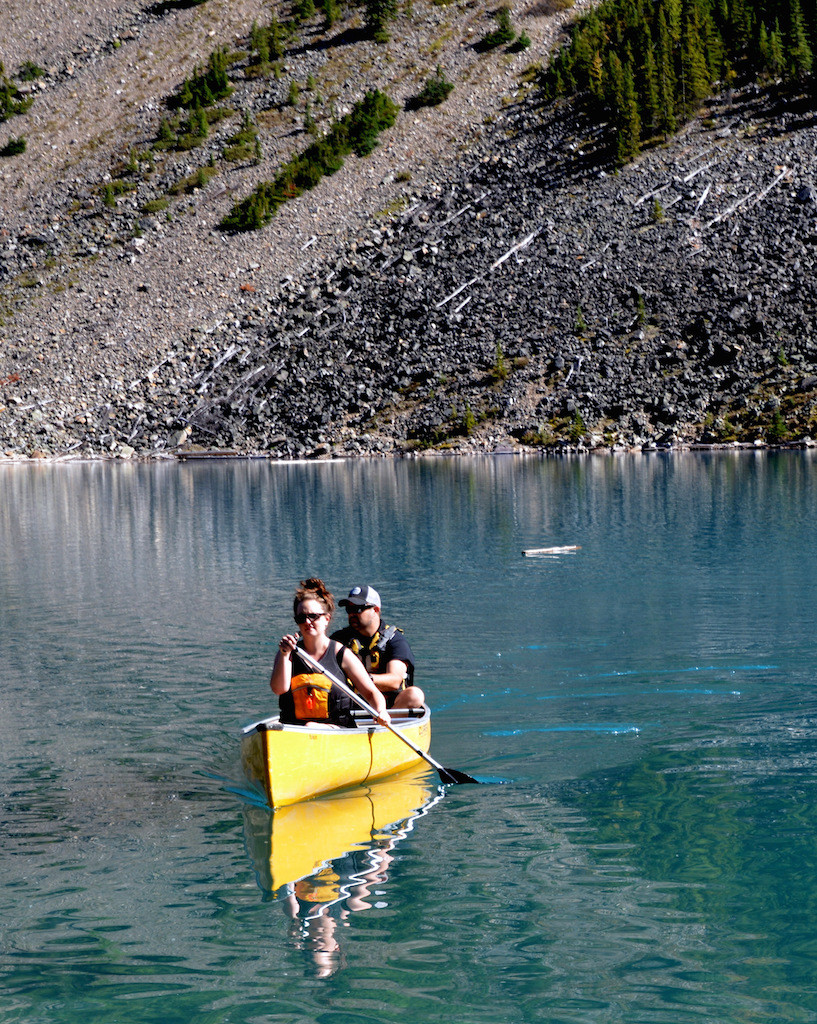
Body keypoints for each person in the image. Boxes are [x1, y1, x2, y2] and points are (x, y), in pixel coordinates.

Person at [271, 578, 390, 728]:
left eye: (313, 616)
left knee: (311, 727)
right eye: (302, 618)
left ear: (326, 619)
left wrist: (381, 711)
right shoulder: (287, 653)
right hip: (295, 730)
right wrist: (283, 655)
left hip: (335, 729)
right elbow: (278, 689)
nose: (307, 622)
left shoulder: (341, 654)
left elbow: (372, 693)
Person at [332, 585, 425, 710]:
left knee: (415, 695)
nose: (352, 614)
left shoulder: (395, 641)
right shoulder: (340, 639)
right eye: (349, 609)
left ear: (375, 610)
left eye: (358, 609)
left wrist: (361, 679)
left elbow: (394, 681)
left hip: (390, 710)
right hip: (352, 706)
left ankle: (382, 725)